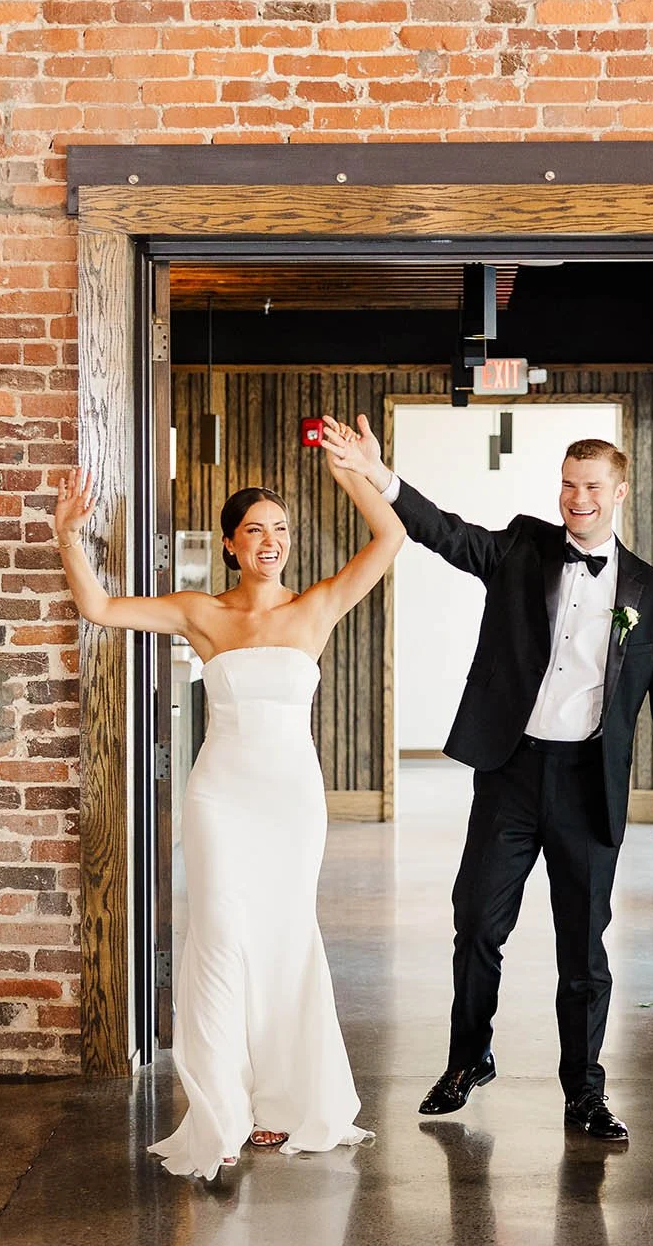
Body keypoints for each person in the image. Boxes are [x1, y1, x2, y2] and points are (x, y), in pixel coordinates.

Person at [320, 415, 653, 1142]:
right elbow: (447, 532)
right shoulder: (524, 546)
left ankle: (584, 1091)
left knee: (583, 947)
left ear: (619, 490)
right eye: (566, 483)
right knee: (477, 924)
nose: (575, 497)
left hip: (590, 782)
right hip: (512, 770)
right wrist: (378, 473)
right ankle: (467, 1059)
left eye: (590, 485)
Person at [51, 440, 404, 1179]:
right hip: (221, 796)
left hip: (292, 801)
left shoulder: (318, 605)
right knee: (217, 938)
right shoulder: (201, 612)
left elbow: (392, 536)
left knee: (283, 938)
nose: (271, 542)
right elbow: (98, 605)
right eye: (256, 530)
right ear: (230, 544)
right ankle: (220, 1112)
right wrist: (67, 536)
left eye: (281, 530)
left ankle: (281, 1101)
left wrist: (355, 475)